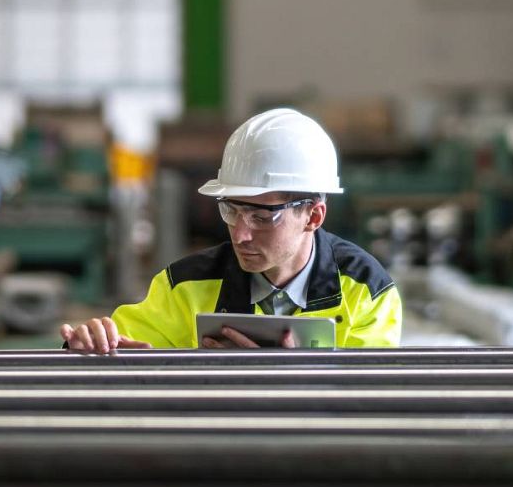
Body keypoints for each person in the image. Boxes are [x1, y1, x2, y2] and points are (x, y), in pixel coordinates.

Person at [60, 108, 401, 352]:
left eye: (261, 217)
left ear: (313, 216)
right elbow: (120, 349)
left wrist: (295, 378)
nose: (239, 234)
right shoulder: (185, 287)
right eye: (232, 210)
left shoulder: (366, 291)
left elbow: (368, 402)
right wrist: (88, 345)